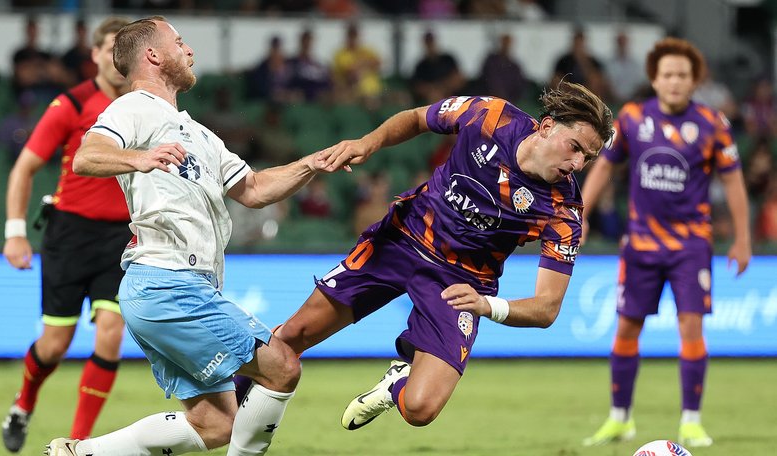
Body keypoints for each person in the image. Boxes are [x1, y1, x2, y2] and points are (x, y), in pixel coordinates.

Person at [233, 82, 614, 429]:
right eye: (575, 147)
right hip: (401, 241)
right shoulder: (490, 115)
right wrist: (369, 143)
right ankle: (227, 414)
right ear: (546, 127)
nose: (578, 164)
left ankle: (397, 382)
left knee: (420, 410)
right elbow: (416, 118)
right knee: (293, 335)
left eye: (588, 157)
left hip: (460, 283)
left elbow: (547, 308)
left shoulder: (563, 211)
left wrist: (487, 305)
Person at [45, 16, 330, 456]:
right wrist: (139, 158)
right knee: (282, 367)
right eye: (180, 42)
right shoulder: (134, 107)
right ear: (153, 55)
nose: (190, 50)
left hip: (173, 287)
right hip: (167, 282)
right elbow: (87, 155)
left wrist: (313, 163)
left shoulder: (200, 134)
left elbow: (253, 190)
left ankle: (80, 453)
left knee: (215, 425)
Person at [581, 37, 751, 448]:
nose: (675, 81)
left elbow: (733, 181)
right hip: (640, 243)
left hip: (691, 245)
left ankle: (691, 421)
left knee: (690, 327)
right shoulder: (632, 117)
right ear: (654, 80)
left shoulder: (713, 124)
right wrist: (580, 214)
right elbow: (604, 165)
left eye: (683, 75)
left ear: (694, 82)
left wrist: (743, 238)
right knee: (627, 327)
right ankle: (620, 418)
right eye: (667, 74)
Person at [0, 17, 132, 454]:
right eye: (109, 50)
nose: (116, 61)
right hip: (70, 235)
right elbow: (24, 168)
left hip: (122, 238)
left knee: (111, 331)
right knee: (55, 344)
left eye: (124, 51)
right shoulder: (70, 105)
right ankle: (23, 404)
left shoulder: (143, 107)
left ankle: (77, 443)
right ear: (93, 55)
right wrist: (15, 233)